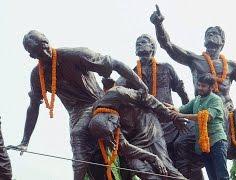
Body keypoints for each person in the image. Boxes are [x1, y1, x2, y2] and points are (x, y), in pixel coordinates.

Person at [16, 30, 148, 180]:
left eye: (45, 46)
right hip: (75, 116)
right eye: (38, 53)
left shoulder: (75, 55)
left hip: (98, 105)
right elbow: (33, 106)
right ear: (32, 55)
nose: (45, 52)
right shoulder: (37, 75)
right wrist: (24, 141)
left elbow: (115, 64)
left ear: (47, 42)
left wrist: (142, 86)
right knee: (87, 156)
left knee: (80, 134)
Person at [116, 34, 191, 167]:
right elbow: (116, 89)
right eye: (137, 43)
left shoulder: (166, 68)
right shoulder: (130, 74)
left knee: (180, 161)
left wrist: (187, 110)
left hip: (170, 123)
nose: (139, 44)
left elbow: (180, 90)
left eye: (143, 42)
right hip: (146, 127)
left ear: (152, 46)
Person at [90, 80, 188, 179]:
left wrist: (171, 116)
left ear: (110, 117)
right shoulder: (105, 125)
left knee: (166, 167)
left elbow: (147, 98)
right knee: (138, 167)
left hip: (148, 128)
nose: (116, 128)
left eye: (115, 126)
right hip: (133, 141)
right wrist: (153, 158)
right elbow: (125, 146)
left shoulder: (118, 93)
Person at [167, 74, 229, 180]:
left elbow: (206, 117)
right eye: (199, 85)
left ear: (211, 87)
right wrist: (172, 108)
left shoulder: (216, 100)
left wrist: (182, 116)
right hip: (203, 145)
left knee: (222, 176)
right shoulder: (196, 100)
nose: (200, 88)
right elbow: (181, 109)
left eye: (203, 86)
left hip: (217, 142)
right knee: (212, 177)